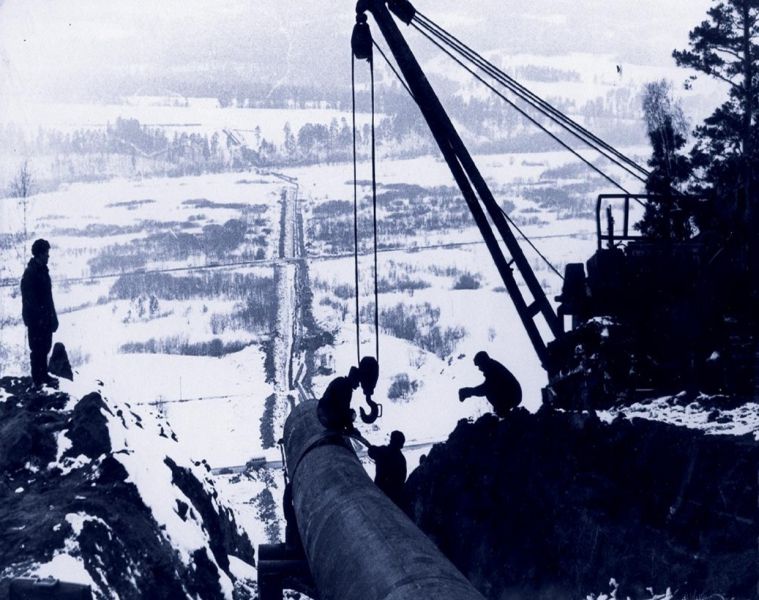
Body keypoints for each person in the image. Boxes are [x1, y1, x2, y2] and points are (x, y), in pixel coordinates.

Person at [21, 239, 59, 387]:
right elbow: (29, 301)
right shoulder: (30, 273)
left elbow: (49, 298)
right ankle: (37, 380)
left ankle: (43, 375)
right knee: (37, 349)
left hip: (45, 318)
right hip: (36, 321)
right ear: (39, 254)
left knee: (45, 348)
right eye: (46, 253)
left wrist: (53, 318)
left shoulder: (43, 271)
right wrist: (39, 319)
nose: (48, 256)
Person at [458, 351, 522, 417]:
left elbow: (485, 388)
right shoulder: (492, 366)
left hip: (514, 396)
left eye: (479, 365)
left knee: (489, 392)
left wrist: (468, 392)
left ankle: (503, 411)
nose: (479, 369)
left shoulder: (492, 369)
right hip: (514, 394)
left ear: (483, 363)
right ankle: (502, 410)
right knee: (490, 391)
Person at [317, 365, 362, 433]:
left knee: (348, 413)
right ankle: (337, 428)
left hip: (323, 413)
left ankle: (337, 427)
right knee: (351, 414)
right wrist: (351, 429)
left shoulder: (341, 382)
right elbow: (344, 410)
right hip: (327, 416)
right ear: (354, 379)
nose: (358, 385)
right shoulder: (346, 388)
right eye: (358, 382)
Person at [368, 430, 407, 506]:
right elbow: (402, 478)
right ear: (401, 444)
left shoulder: (382, 450)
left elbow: (371, 452)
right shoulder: (401, 459)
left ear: (391, 440)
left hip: (379, 491)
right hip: (395, 496)